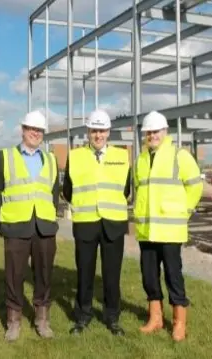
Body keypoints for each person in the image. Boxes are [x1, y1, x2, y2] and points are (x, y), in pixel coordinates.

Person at [0, 110, 60, 342]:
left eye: (39, 130)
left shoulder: (50, 159)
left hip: (45, 228)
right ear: (23, 130)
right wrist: (4, 219)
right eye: (31, 129)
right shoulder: (5, 156)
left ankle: (42, 319)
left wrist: (49, 218)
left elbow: (54, 194)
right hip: (16, 227)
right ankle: (14, 321)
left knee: (45, 274)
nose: (35, 133)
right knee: (14, 275)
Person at [134, 110, 203, 342]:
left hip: (171, 231)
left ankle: (179, 322)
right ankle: (155, 318)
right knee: (149, 277)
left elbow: (195, 186)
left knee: (174, 276)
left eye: (156, 131)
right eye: (149, 132)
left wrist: (185, 211)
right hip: (147, 231)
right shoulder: (141, 159)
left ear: (165, 132)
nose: (152, 135)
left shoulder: (179, 156)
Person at [62, 109, 131, 336]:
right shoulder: (75, 156)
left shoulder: (122, 156)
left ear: (108, 132)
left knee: (112, 275)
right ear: (88, 132)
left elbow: (127, 189)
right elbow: (68, 191)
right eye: (94, 131)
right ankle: (83, 316)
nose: (98, 135)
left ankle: (112, 317)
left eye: (102, 131)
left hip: (113, 224)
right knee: (84, 273)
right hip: (86, 223)